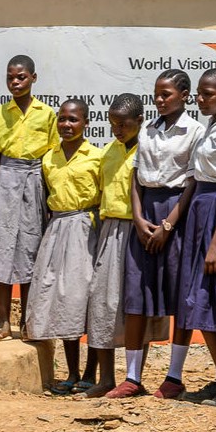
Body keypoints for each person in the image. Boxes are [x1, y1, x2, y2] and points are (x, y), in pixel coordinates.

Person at [107, 69, 201, 400]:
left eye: (167, 94)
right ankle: (132, 377)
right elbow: (135, 176)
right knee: (136, 295)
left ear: (184, 95)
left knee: (179, 295)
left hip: (176, 212)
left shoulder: (194, 131)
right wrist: (137, 216)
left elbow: (192, 181)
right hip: (144, 214)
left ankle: (173, 377)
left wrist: (169, 225)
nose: (160, 100)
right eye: (157, 95)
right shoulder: (147, 130)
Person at [170, 67, 216, 407]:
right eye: (199, 93)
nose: (200, 99)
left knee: (207, 297)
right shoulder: (209, 128)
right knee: (198, 297)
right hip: (200, 210)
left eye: (208, 94)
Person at [24, 99, 103, 395]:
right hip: (57, 230)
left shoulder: (97, 156)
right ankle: (70, 373)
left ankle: (91, 372)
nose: (66, 125)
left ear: (86, 122)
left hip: (87, 228)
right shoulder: (49, 158)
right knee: (64, 300)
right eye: (62, 119)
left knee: (88, 298)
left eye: (73, 120)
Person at [0, 55, 58, 342]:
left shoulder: (46, 114)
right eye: (10, 77)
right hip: (7, 179)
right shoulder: (0, 114)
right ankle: (1, 322)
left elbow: (50, 158)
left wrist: (48, 198)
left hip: (35, 179)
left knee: (29, 251)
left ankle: (27, 322)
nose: (15, 82)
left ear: (33, 78)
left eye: (21, 77)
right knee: (0, 251)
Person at [79, 93, 146, 399]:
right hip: (109, 230)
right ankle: (106, 377)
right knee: (102, 303)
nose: (118, 130)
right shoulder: (107, 152)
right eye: (113, 124)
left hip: (137, 231)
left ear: (140, 121)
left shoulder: (148, 151)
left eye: (124, 124)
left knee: (136, 305)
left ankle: (134, 377)